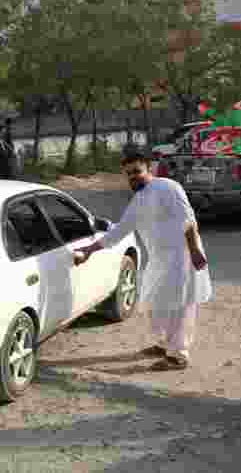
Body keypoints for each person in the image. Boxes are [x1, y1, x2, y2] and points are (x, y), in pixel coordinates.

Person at [73, 145, 212, 370]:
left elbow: (188, 220)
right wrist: (89, 250)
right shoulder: (138, 200)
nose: (133, 177)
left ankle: (178, 355)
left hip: (182, 255)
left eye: (137, 171)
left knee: (179, 305)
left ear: (149, 168)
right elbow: (119, 231)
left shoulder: (168, 187)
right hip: (159, 259)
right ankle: (164, 344)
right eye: (128, 173)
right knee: (156, 302)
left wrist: (194, 251)